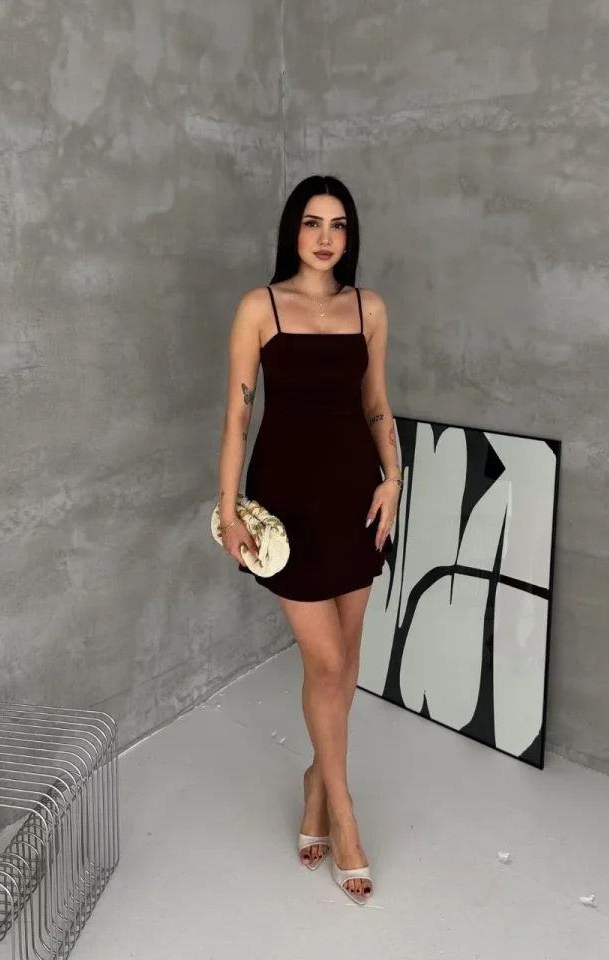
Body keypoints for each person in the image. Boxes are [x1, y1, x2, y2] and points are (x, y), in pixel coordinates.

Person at [215, 174, 402, 906]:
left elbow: (377, 403)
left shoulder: (369, 308)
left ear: (350, 236)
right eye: (313, 223)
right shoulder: (258, 307)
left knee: (345, 660)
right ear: (292, 230)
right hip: (287, 507)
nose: (326, 237)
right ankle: (344, 811)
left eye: (339, 225)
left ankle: (316, 784)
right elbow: (237, 415)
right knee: (324, 660)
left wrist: (394, 478)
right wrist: (229, 507)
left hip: (356, 497)